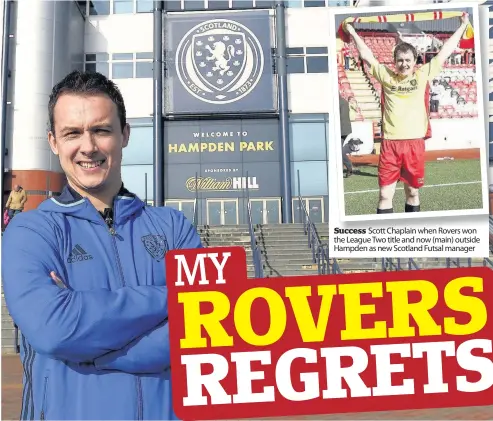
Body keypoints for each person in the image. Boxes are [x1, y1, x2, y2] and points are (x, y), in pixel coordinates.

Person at [1, 70, 203, 420]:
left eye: (101, 130)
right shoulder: (30, 232)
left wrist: (95, 350)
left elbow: (207, 326)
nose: (88, 146)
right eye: (72, 133)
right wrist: (171, 296)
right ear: (53, 142)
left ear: (124, 134)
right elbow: (56, 329)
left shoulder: (173, 227)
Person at [345, 13, 470, 214]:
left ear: (414, 61)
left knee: (412, 192)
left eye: (408, 60)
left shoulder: (422, 75)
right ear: (394, 61)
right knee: (385, 195)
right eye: (400, 60)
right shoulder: (386, 76)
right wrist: (351, 30)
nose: (404, 64)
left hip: (414, 144)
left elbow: (445, 51)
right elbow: (367, 55)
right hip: (390, 145)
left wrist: (463, 26)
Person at [339, 95, 354, 177]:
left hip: (341, 130)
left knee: (338, 151)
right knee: (338, 150)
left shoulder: (337, 102)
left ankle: (349, 167)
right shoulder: (343, 102)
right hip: (344, 129)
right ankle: (349, 167)